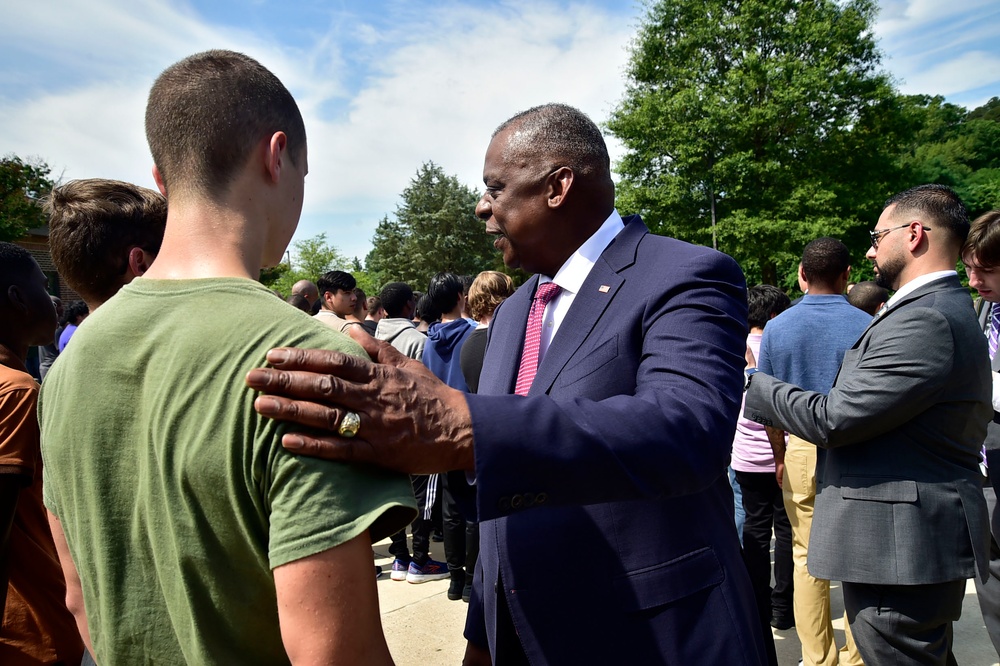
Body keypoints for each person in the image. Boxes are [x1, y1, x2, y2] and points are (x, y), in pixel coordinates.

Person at [246, 103, 766, 664]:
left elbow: (687, 430)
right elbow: (506, 487)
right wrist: (483, 632)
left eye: (496, 188)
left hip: (651, 637)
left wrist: (464, 422)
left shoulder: (686, 273)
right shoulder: (517, 309)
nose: (481, 207)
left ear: (558, 186)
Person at [39, 50, 415, 664]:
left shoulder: (70, 368)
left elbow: (79, 600)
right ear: (275, 156)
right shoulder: (309, 362)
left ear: (162, 180)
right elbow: (332, 652)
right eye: (304, 169)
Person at [745, 184, 990, 665]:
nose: (870, 249)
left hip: (899, 546)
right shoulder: (923, 310)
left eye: (878, 235)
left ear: (914, 233)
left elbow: (837, 418)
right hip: (897, 539)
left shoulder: (927, 319)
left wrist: (750, 379)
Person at [755, 237, 870, 666]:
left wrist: (780, 455)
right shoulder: (868, 324)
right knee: (858, 557)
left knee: (805, 555)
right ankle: (858, 655)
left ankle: (818, 657)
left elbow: (767, 406)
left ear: (802, 274)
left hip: (801, 444)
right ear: (847, 276)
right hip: (859, 447)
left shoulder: (779, 327)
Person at [0, 243, 83, 665]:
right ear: (17, 298)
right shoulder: (16, 391)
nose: (53, 299)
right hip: (27, 632)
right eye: (44, 284)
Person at [732, 285, 793, 638]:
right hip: (782, 455)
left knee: (755, 530)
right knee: (785, 532)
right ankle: (782, 608)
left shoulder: (733, 347)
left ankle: (757, 605)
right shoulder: (777, 348)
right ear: (773, 315)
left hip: (745, 457)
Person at [422, 272, 476, 600]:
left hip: (439, 430)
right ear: (460, 295)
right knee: (471, 509)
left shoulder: (430, 338)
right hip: (468, 424)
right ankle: (470, 580)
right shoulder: (472, 334)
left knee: (450, 507)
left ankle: (454, 578)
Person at [961, 209, 1000, 655]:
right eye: (970, 268)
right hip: (985, 475)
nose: (973, 281)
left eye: (985, 270)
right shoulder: (984, 307)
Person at [37, 296, 63, 380]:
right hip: (53, 367)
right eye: (60, 305)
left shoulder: (43, 326)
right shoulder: (55, 328)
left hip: (44, 367)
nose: (63, 308)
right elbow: (61, 350)